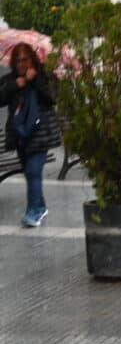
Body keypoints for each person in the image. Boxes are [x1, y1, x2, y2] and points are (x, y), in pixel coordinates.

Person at [0, 43, 62, 227]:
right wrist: (14, 85)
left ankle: (34, 211)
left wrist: (34, 81)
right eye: (17, 60)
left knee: (33, 171)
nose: (21, 64)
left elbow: (52, 98)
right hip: (20, 135)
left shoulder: (44, 75)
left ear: (32, 59)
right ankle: (40, 206)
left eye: (24, 60)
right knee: (30, 173)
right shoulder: (10, 79)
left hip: (41, 133)